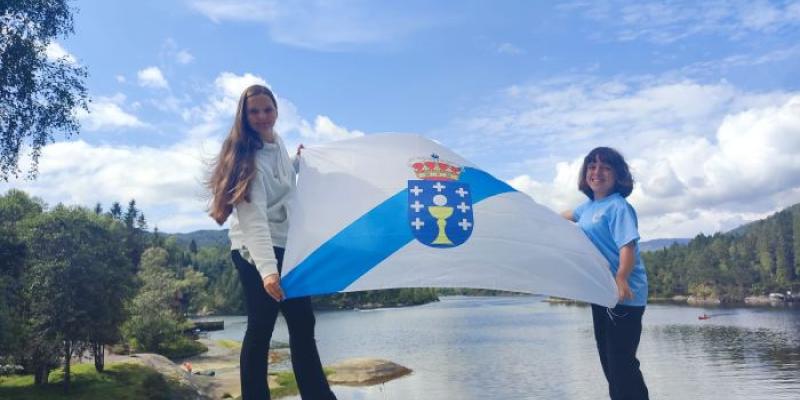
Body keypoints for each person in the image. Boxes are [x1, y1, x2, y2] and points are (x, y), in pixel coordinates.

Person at [208, 84, 337, 400]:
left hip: (286, 243)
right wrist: (268, 271)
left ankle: (318, 396)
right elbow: (254, 222)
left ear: (277, 111)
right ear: (245, 116)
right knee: (261, 326)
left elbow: (279, 180)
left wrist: (297, 161)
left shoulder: (276, 143)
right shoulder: (245, 160)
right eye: (255, 111)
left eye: (268, 110)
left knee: (303, 322)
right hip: (253, 251)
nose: (263, 116)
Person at [561, 147, 649, 400]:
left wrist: (621, 276)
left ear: (617, 175)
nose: (596, 172)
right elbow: (565, 216)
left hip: (625, 294)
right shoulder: (587, 207)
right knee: (611, 365)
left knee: (622, 365)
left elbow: (627, 246)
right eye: (592, 166)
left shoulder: (618, 207)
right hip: (602, 293)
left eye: (605, 167)